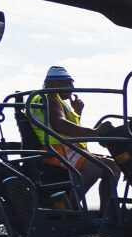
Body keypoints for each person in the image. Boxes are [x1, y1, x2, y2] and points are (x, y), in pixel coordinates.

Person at [26, 66, 115, 210]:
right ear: (54, 84)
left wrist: (77, 112)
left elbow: (66, 127)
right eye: (68, 83)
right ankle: (70, 208)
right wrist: (95, 132)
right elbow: (60, 125)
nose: (72, 88)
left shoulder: (55, 100)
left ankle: (107, 214)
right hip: (55, 150)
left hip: (64, 148)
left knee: (112, 167)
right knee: (96, 167)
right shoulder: (50, 97)